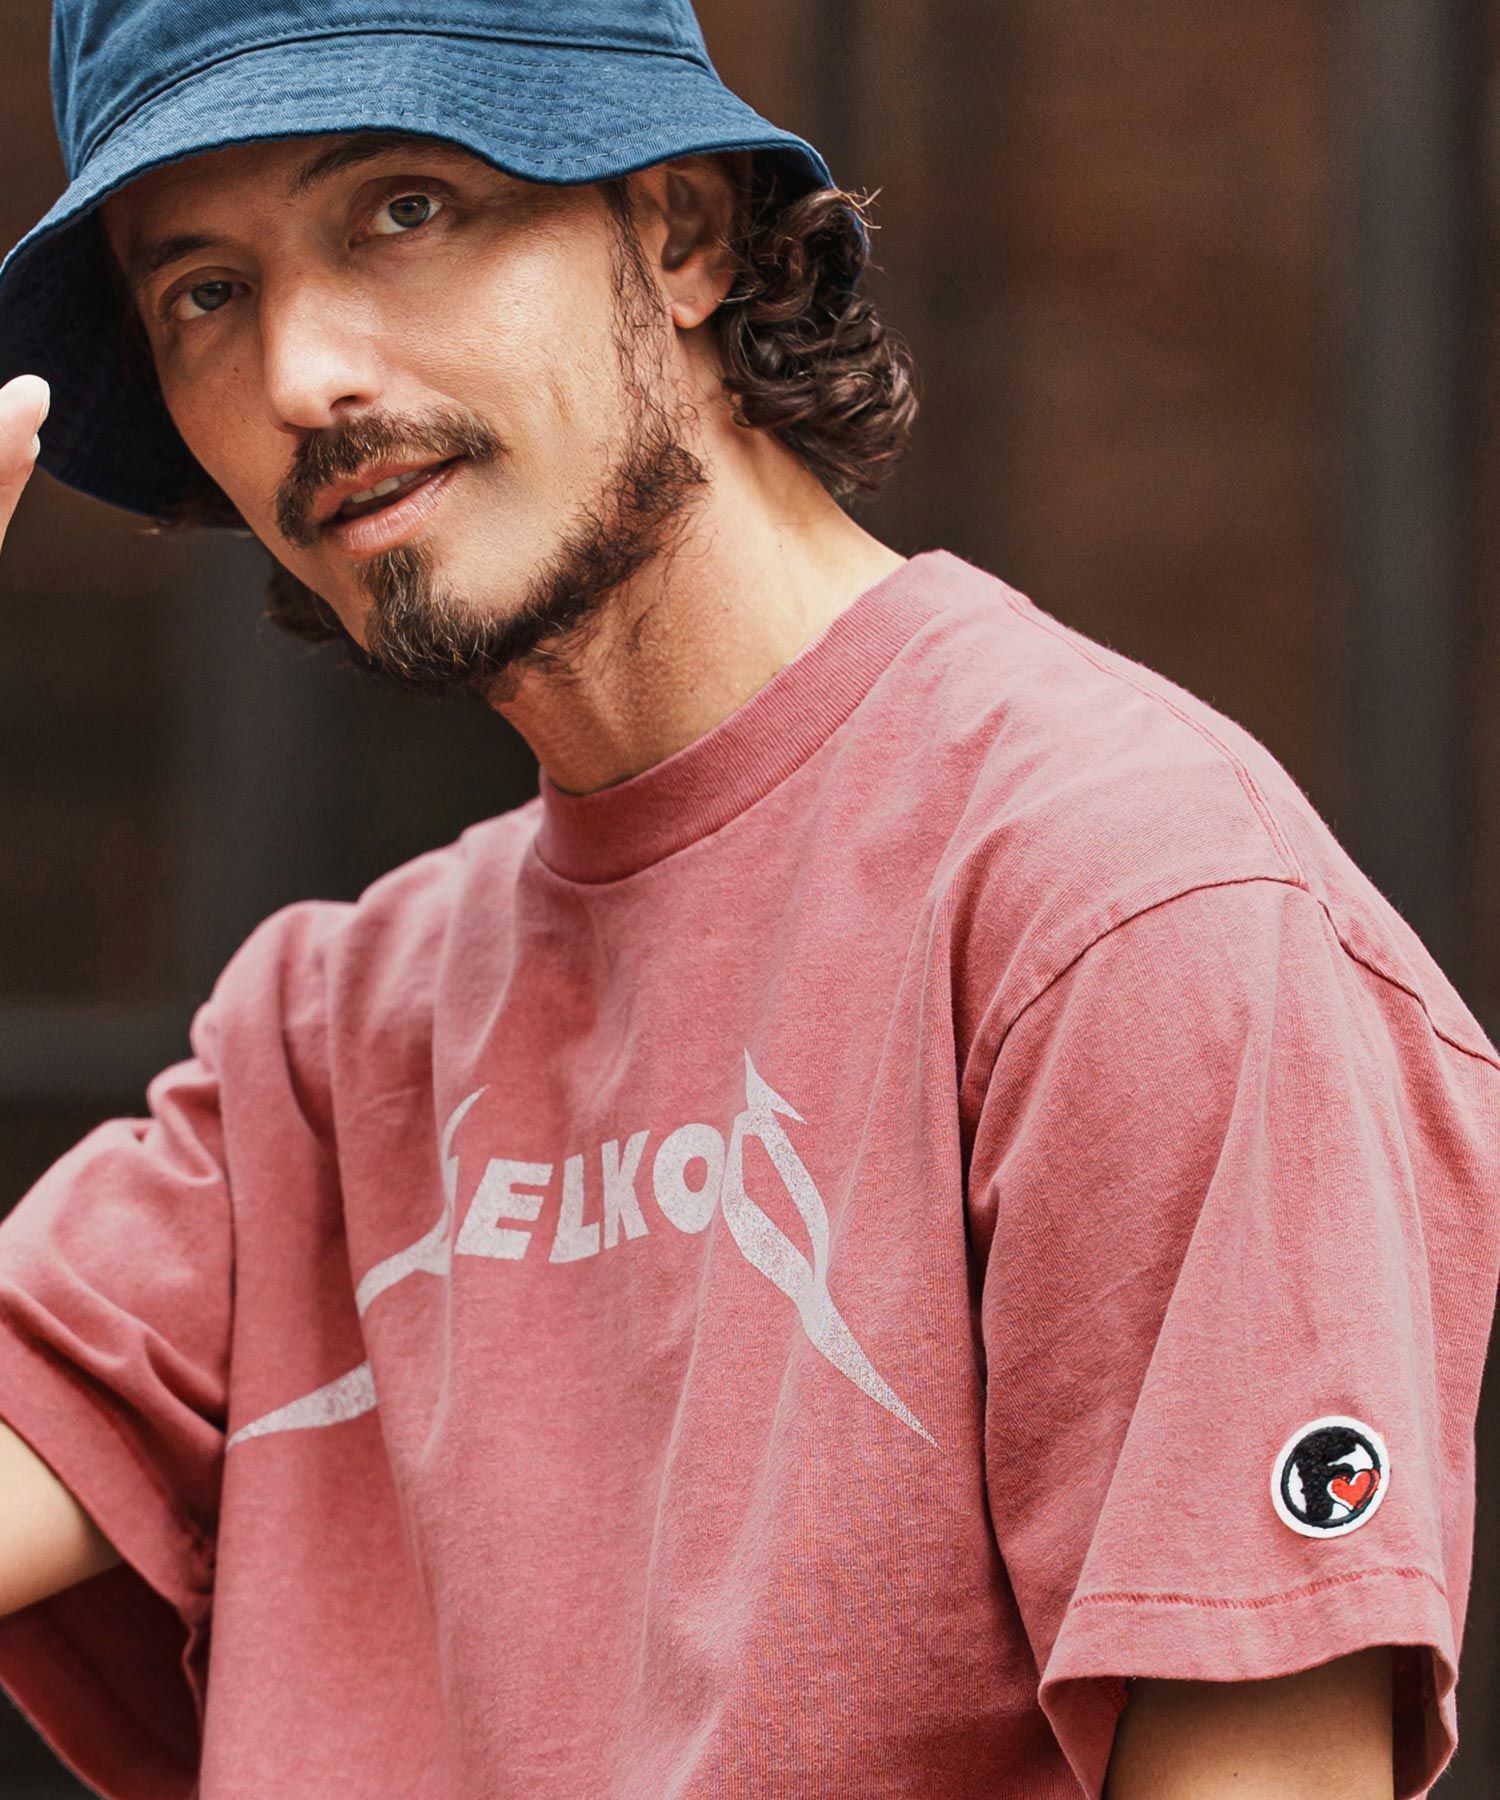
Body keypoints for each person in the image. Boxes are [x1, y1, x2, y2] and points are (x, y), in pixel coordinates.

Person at [0, 0, 1493, 1795]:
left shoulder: (1129, 909)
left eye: (405, 209)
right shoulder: (329, 1040)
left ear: (685, 229)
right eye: (204, 293)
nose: (301, 372)